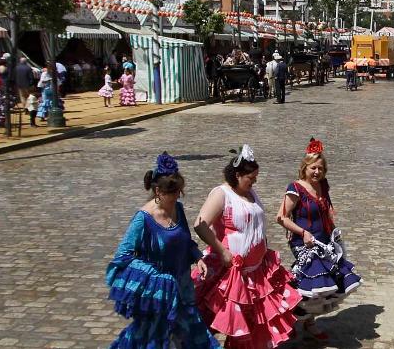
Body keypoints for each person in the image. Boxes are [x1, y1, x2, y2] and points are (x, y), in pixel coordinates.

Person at [106, 152, 219, 349]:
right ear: (158, 191)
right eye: (173, 192)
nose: (177, 196)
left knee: (191, 336)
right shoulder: (143, 219)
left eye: (179, 191)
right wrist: (156, 276)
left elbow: (184, 240)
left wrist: (197, 256)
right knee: (155, 340)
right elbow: (122, 256)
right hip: (158, 293)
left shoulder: (178, 209)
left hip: (182, 288)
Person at [193, 145, 300, 348]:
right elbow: (200, 224)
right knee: (221, 320)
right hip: (229, 273)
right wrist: (222, 251)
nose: (254, 181)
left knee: (251, 325)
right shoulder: (221, 193)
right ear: (237, 175)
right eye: (251, 177)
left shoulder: (251, 193)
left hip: (256, 272)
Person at [275, 139, 362, 340]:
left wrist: (333, 227)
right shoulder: (296, 188)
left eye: (321, 169)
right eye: (313, 168)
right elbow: (281, 217)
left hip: (323, 241)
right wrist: (302, 232)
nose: (317, 172)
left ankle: (308, 321)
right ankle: (289, 317)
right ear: (305, 167)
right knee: (312, 282)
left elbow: (328, 207)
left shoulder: (323, 185)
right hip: (303, 242)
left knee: (322, 287)